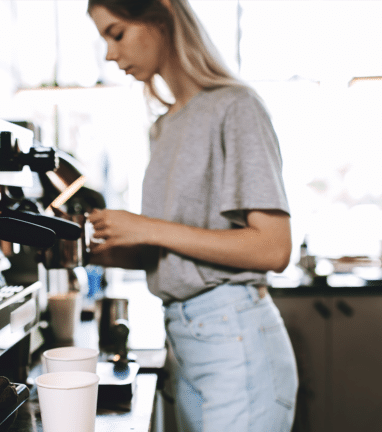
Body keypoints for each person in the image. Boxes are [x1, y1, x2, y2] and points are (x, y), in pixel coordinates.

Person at [86, 0, 299, 431]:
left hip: (233, 339)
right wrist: (91, 250)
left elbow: (273, 247)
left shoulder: (235, 106)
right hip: (183, 341)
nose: (110, 54)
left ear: (160, 16)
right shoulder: (165, 126)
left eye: (116, 33)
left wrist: (145, 227)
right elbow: (173, 252)